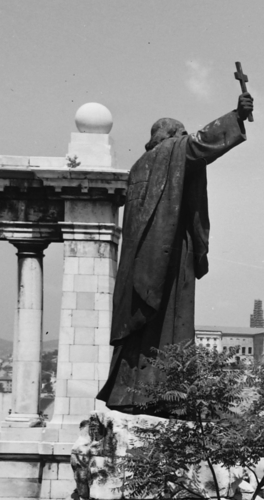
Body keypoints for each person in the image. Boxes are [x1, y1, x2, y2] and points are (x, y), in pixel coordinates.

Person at [97, 91, 253, 413]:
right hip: (168, 255)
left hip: (142, 262)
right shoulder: (169, 153)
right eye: (179, 133)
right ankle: (167, 396)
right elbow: (199, 145)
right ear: (169, 136)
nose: (181, 138)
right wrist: (236, 116)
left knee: (147, 326)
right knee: (171, 320)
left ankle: (132, 393)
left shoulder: (139, 167)